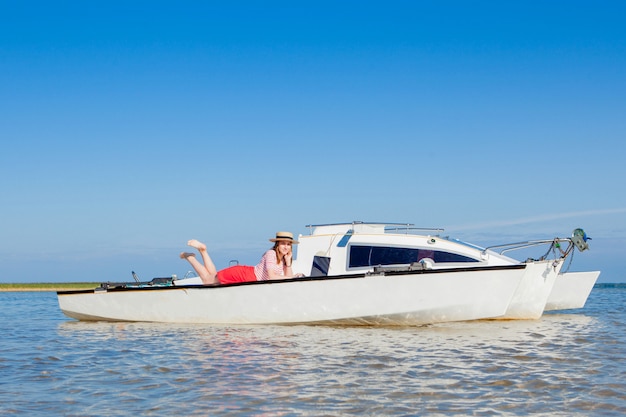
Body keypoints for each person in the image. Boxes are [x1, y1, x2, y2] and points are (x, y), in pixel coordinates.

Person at [180, 231, 305, 285]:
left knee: (213, 276)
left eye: (288, 244)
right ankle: (191, 257)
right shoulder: (271, 254)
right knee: (208, 281)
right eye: (283, 243)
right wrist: (293, 277)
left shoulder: (283, 258)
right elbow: (272, 277)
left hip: (248, 275)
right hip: (244, 275)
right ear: (277, 244)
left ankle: (203, 251)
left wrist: (288, 264)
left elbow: (288, 279)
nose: (286, 247)